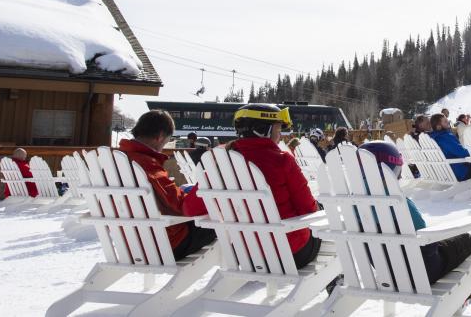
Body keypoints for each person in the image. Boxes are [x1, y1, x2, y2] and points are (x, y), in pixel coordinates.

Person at [360, 141, 471, 283]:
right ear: (392, 170)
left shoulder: (352, 203)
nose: (400, 176)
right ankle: (467, 291)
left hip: (387, 273)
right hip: (423, 272)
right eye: (398, 171)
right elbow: (424, 237)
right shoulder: (399, 202)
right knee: (467, 240)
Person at [228, 103, 322, 268]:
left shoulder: (222, 161)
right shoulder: (282, 161)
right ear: (262, 130)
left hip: (244, 252)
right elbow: (308, 210)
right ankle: (332, 281)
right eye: (278, 131)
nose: (280, 137)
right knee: (323, 222)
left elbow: (192, 209)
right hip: (289, 253)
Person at [119, 110, 212, 260]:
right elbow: (181, 206)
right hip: (165, 244)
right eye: (167, 140)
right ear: (160, 137)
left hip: (129, 243)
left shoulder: (118, 162)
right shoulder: (147, 165)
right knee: (224, 221)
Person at [429, 114, 471, 181]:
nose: (448, 122)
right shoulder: (444, 137)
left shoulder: (432, 138)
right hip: (460, 172)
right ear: (438, 126)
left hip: (446, 172)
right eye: (445, 121)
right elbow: (462, 153)